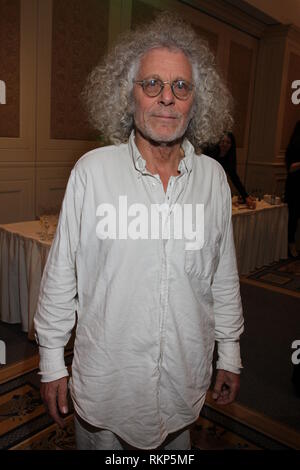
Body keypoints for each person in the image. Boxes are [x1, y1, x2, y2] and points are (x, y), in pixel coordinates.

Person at [34, 12, 244, 450]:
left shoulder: (212, 180)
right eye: (152, 84)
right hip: (107, 392)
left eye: (181, 87)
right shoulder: (93, 172)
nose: (167, 98)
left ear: (195, 101)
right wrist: (52, 362)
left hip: (182, 386)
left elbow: (222, 279)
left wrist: (231, 354)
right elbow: (61, 278)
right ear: (127, 95)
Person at [204, 132, 256, 209]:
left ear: (231, 145)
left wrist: (246, 196)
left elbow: (235, 178)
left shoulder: (229, 158)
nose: (225, 144)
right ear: (218, 142)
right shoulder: (209, 153)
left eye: (228, 142)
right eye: (222, 141)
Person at [285, 121, 300, 258]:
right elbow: (291, 168)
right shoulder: (293, 148)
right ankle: (290, 245)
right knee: (293, 218)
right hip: (295, 188)